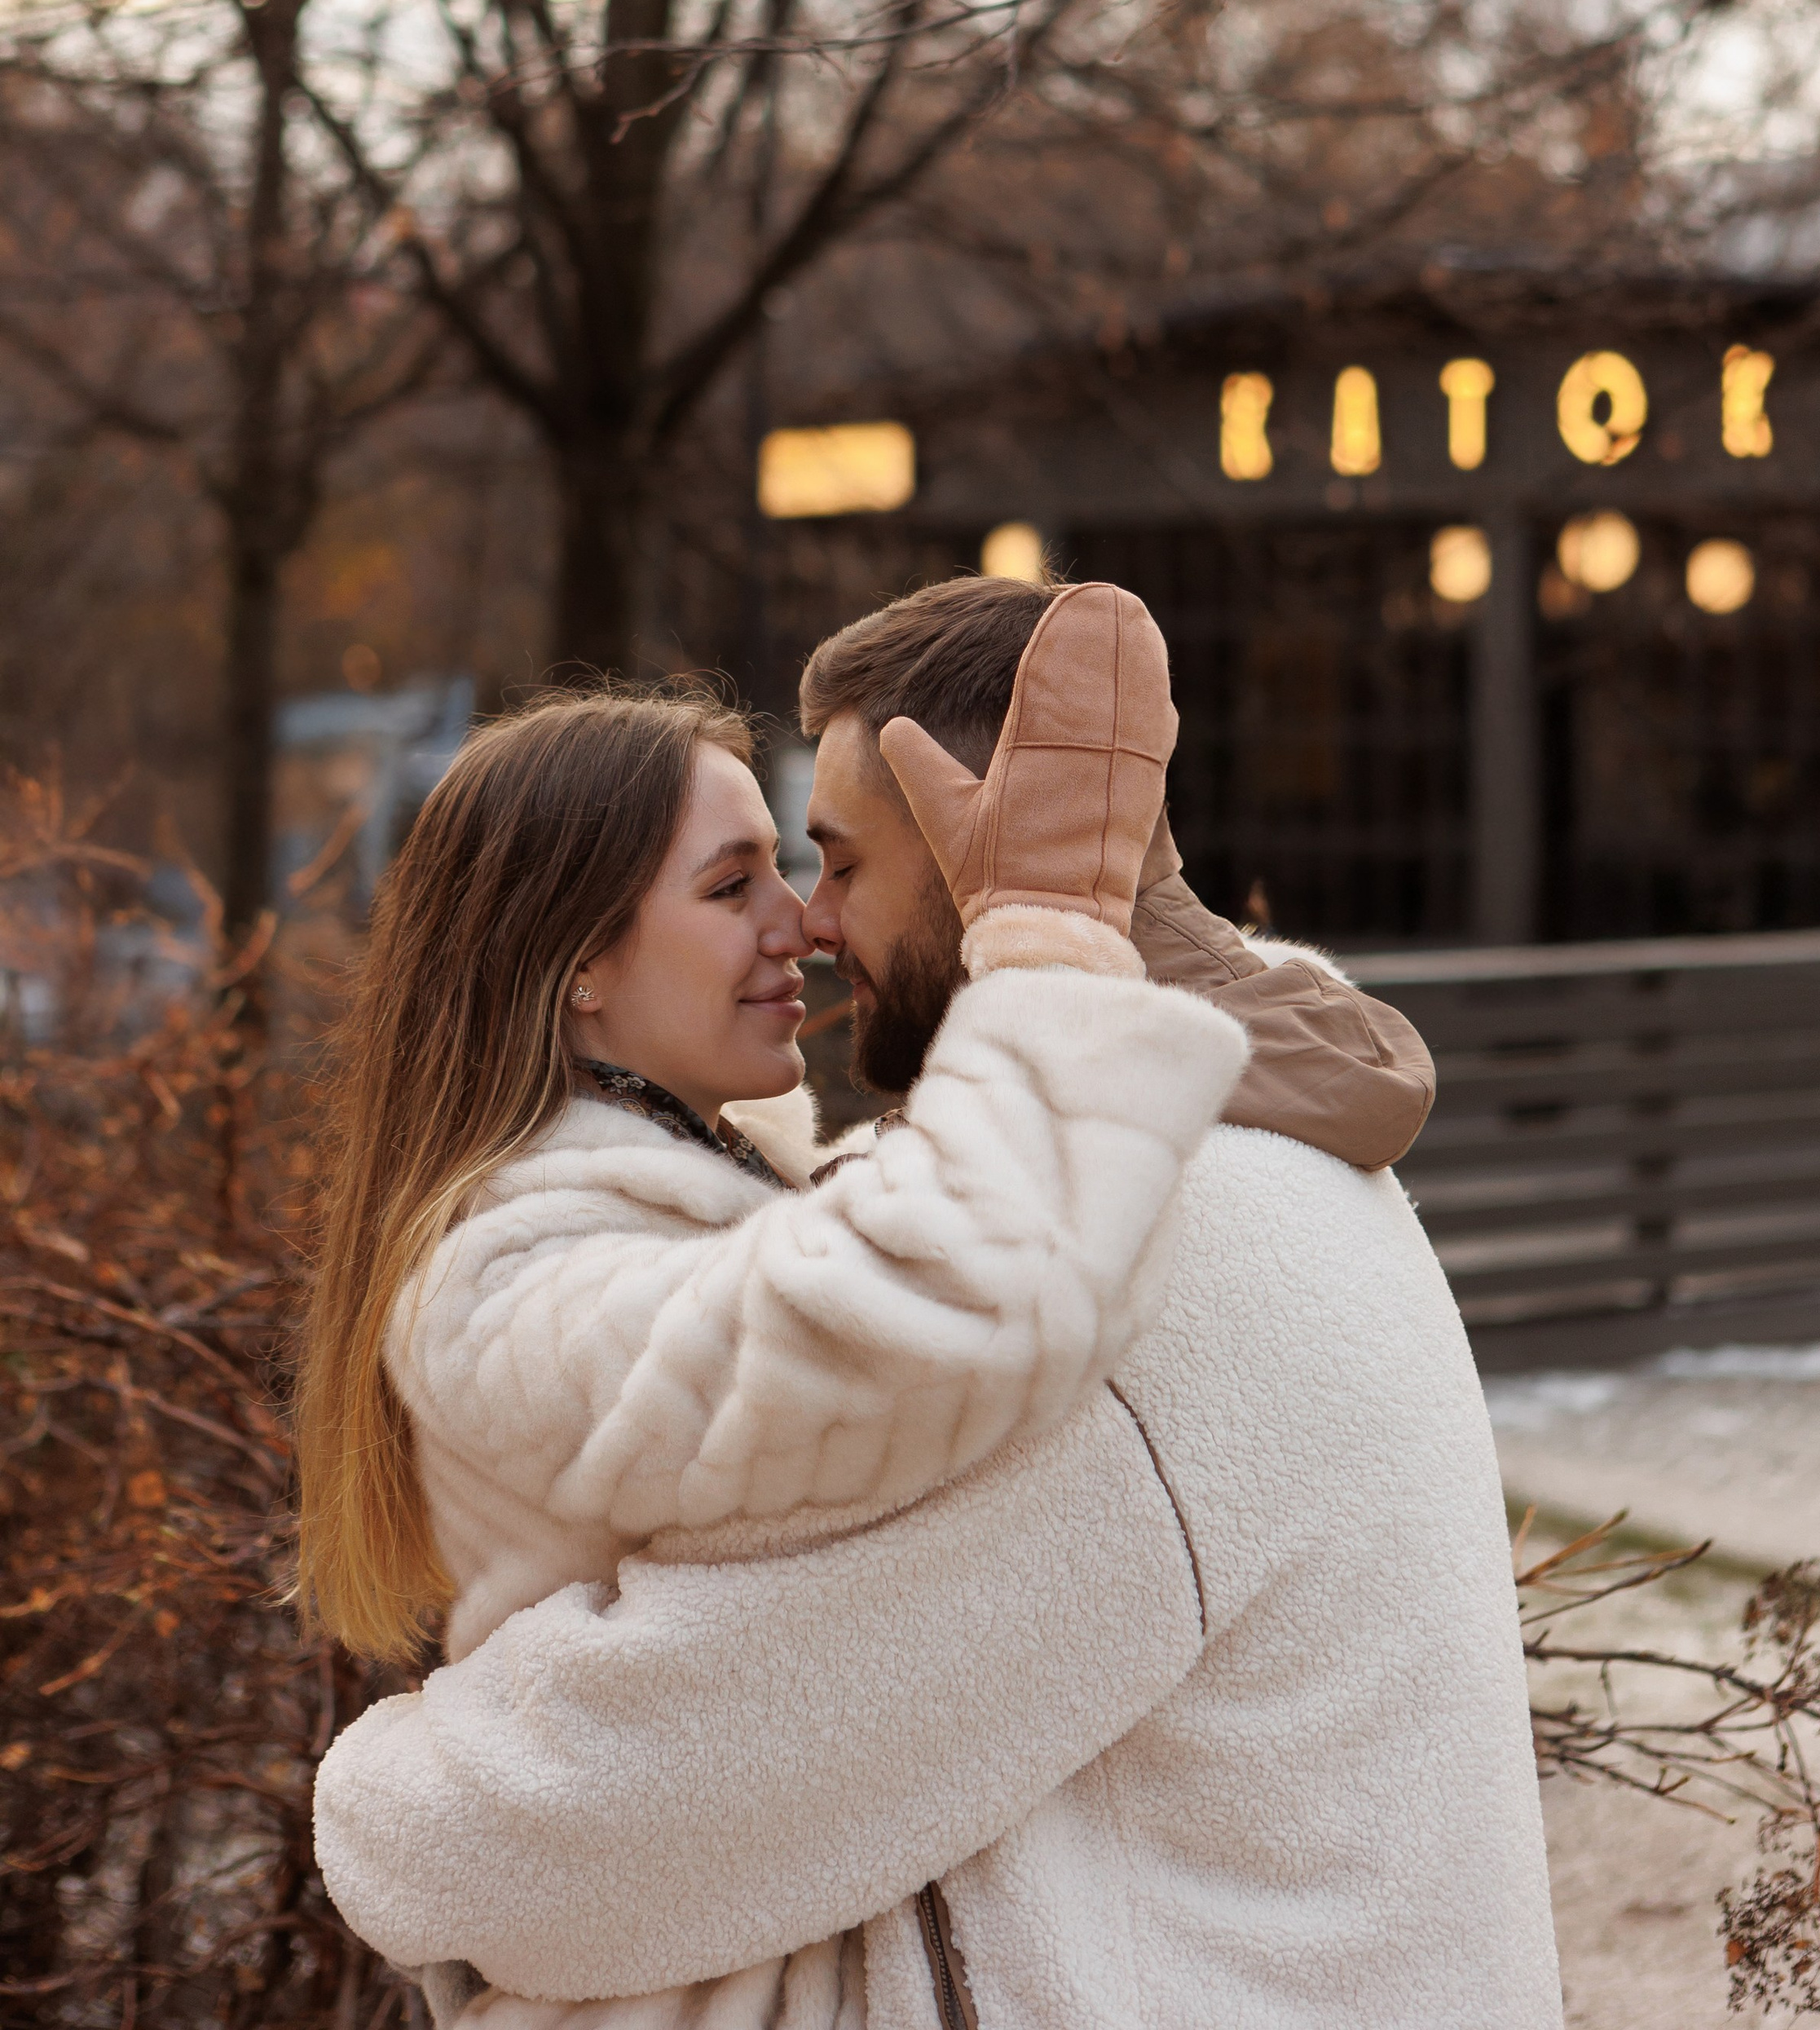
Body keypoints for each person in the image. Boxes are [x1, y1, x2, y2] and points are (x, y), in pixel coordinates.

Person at [314, 574, 1555, 2028]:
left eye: (832, 862)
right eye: (753, 880)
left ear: (988, 868)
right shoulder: (1216, 1162)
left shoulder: (1143, 1263)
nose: (813, 922)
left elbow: (679, 1781)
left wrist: (384, 1809)